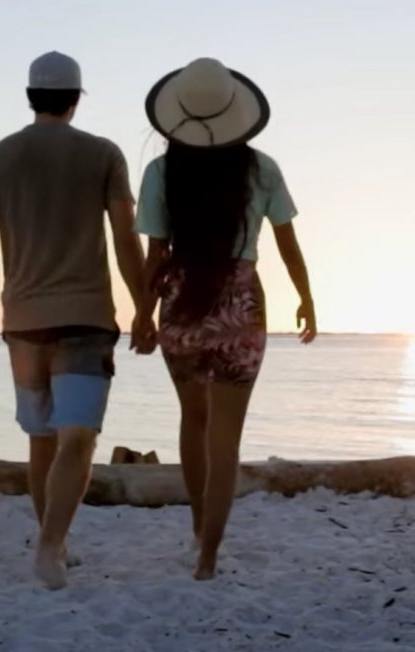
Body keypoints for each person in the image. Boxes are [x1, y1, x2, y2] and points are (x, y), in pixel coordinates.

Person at [0, 51, 152, 589]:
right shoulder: (103, 154)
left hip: (23, 322)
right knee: (77, 441)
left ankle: (53, 545)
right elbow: (123, 237)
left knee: (43, 441)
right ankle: (49, 548)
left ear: (30, 96)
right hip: (85, 316)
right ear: (75, 98)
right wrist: (143, 305)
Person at [135, 58, 317, 581]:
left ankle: (198, 527)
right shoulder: (261, 168)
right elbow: (288, 247)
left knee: (193, 421)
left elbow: (155, 254)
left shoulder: (161, 172)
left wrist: (143, 314)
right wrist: (307, 297)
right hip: (241, 306)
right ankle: (209, 556)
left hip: (182, 304)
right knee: (226, 437)